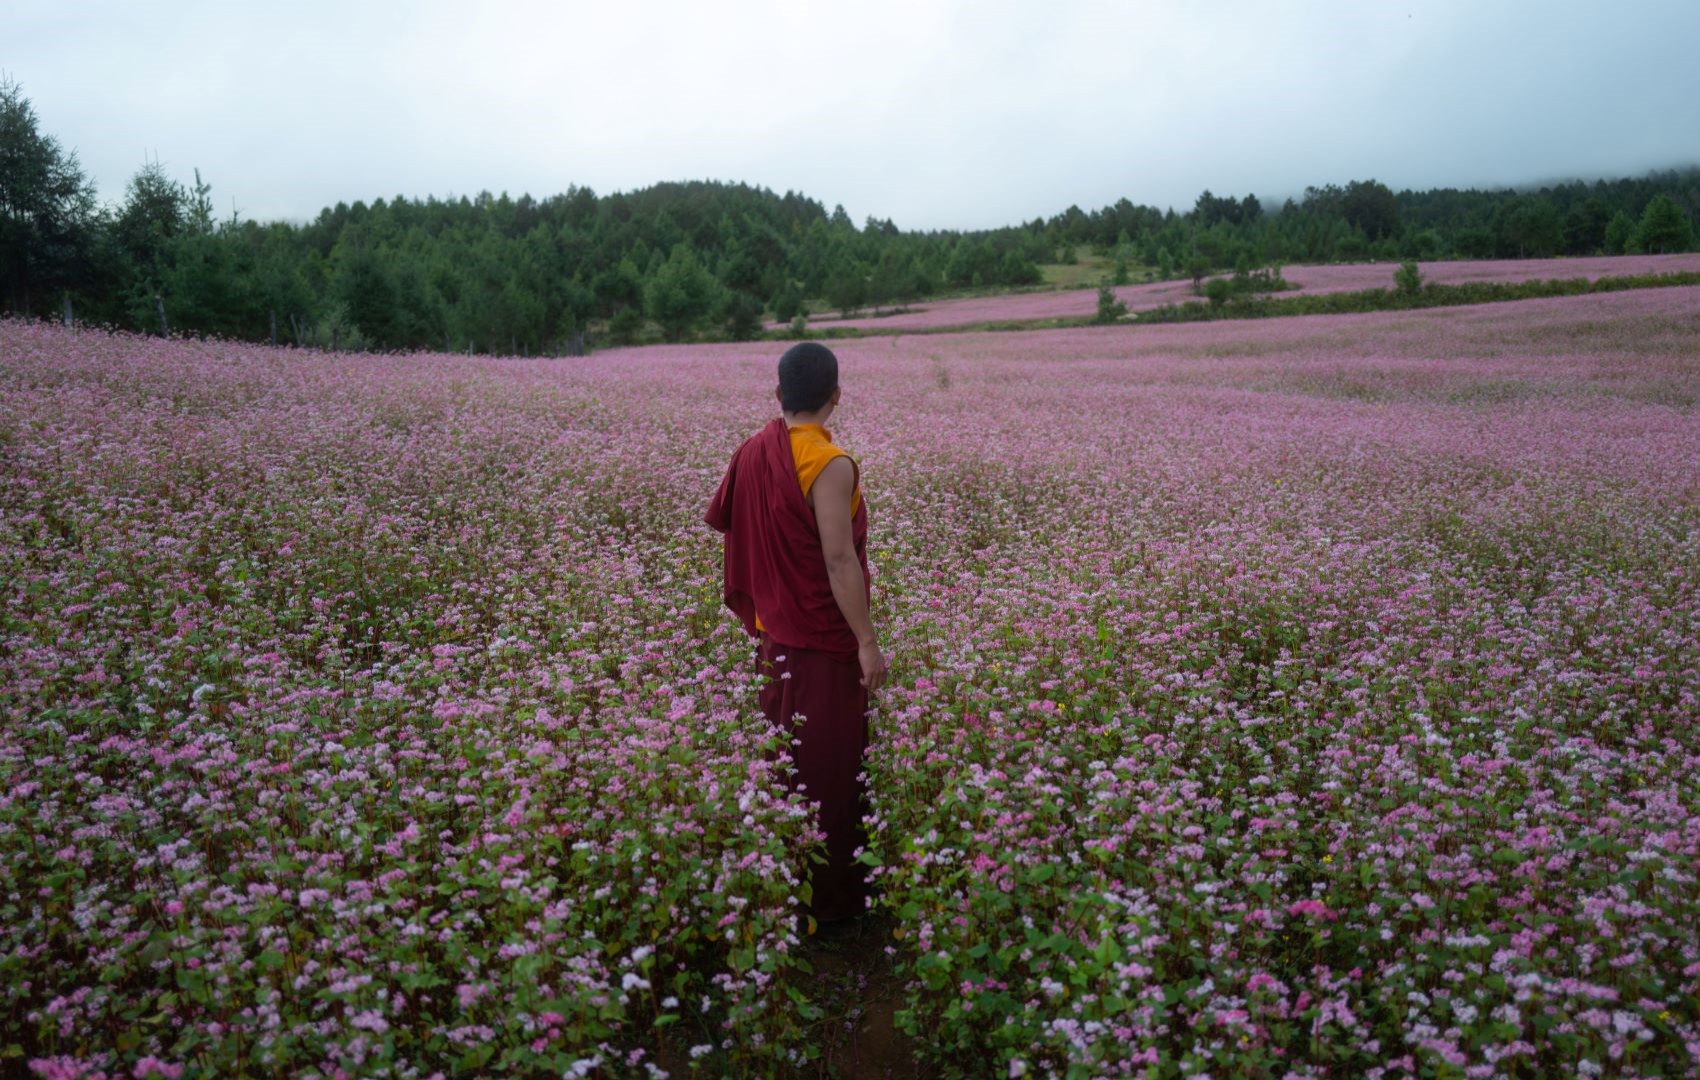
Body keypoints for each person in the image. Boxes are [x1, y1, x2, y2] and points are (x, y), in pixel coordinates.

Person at [703, 341, 888, 924]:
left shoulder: (752, 453)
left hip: (777, 636)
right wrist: (865, 640)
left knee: (787, 761)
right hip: (823, 644)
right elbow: (838, 560)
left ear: (779, 394)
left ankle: (782, 890)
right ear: (836, 396)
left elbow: (736, 530)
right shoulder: (828, 463)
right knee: (828, 768)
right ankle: (831, 910)